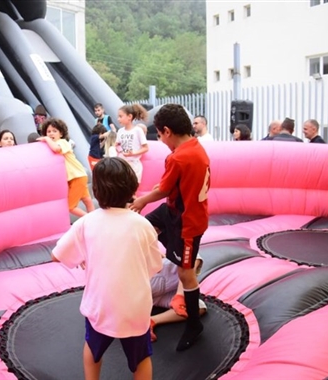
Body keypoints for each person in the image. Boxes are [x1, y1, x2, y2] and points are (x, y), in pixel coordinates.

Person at [52, 157, 163, 380]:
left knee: (93, 350)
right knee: (141, 358)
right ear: (132, 188)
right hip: (135, 308)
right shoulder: (142, 225)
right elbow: (155, 264)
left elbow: (56, 255)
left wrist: (85, 255)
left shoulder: (87, 222)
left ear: (98, 192)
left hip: (100, 305)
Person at [130, 103, 210, 352]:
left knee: (185, 273)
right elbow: (169, 187)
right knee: (143, 228)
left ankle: (194, 325)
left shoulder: (179, 156)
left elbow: (164, 189)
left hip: (186, 222)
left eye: (161, 136)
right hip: (174, 210)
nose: (162, 141)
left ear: (166, 131)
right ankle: (157, 266)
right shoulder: (195, 148)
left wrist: (141, 200)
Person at [38, 118, 95, 217]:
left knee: (70, 207)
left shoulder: (62, 142)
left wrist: (46, 139)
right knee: (87, 199)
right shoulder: (54, 144)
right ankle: (95, 218)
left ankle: (89, 220)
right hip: (78, 176)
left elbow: (56, 148)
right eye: (48, 132)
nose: (51, 134)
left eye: (54, 131)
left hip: (76, 177)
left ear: (61, 134)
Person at [150, 258, 207, 342]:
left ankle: (152, 320)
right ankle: (152, 320)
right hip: (145, 288)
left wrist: (180, 295)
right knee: (190, 255)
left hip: (149, 294)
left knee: (197, 306)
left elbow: (193, 257)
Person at [116, 104, 149, 183]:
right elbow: (116, 145)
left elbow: (146, 148)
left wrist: (133, 153)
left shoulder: (138, 130)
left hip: (134, 164)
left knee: (133, 189)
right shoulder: (120, 131)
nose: (118, 119)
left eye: (121, 116)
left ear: (129, 116)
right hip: (122, 164)